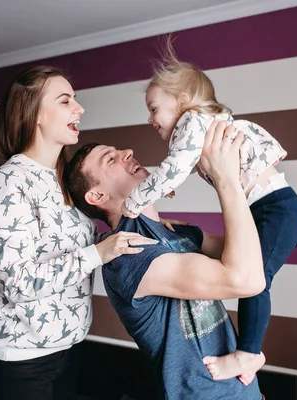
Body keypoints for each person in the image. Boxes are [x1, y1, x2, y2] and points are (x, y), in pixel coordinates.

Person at [120, 42, 297, 382]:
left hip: (276, 209)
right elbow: (183, 167)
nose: (150, 119)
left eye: (154, 109)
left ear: (181, 101)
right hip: (272, 209)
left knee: (255, 282)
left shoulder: (192, 121)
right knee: (254, 275)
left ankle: (248, 354)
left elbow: (174, 169)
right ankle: (248, 353)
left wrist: (133, 201)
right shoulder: (198, 126)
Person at [0, 65, 158, 400]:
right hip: (20, 361)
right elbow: (16, 282)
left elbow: (74, 247)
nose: (79, 108)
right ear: (36, 115)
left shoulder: (63, 179)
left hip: (67, 350)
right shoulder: (11, 183)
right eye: (65, 100)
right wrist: (98, 253)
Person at [63, 121, 266, 399]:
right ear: (97, 195)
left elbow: (258, 255)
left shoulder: (177, 232)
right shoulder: (128, 255)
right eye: (110, 159)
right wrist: (225, 180)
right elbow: (247, 279)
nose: (127, 152)